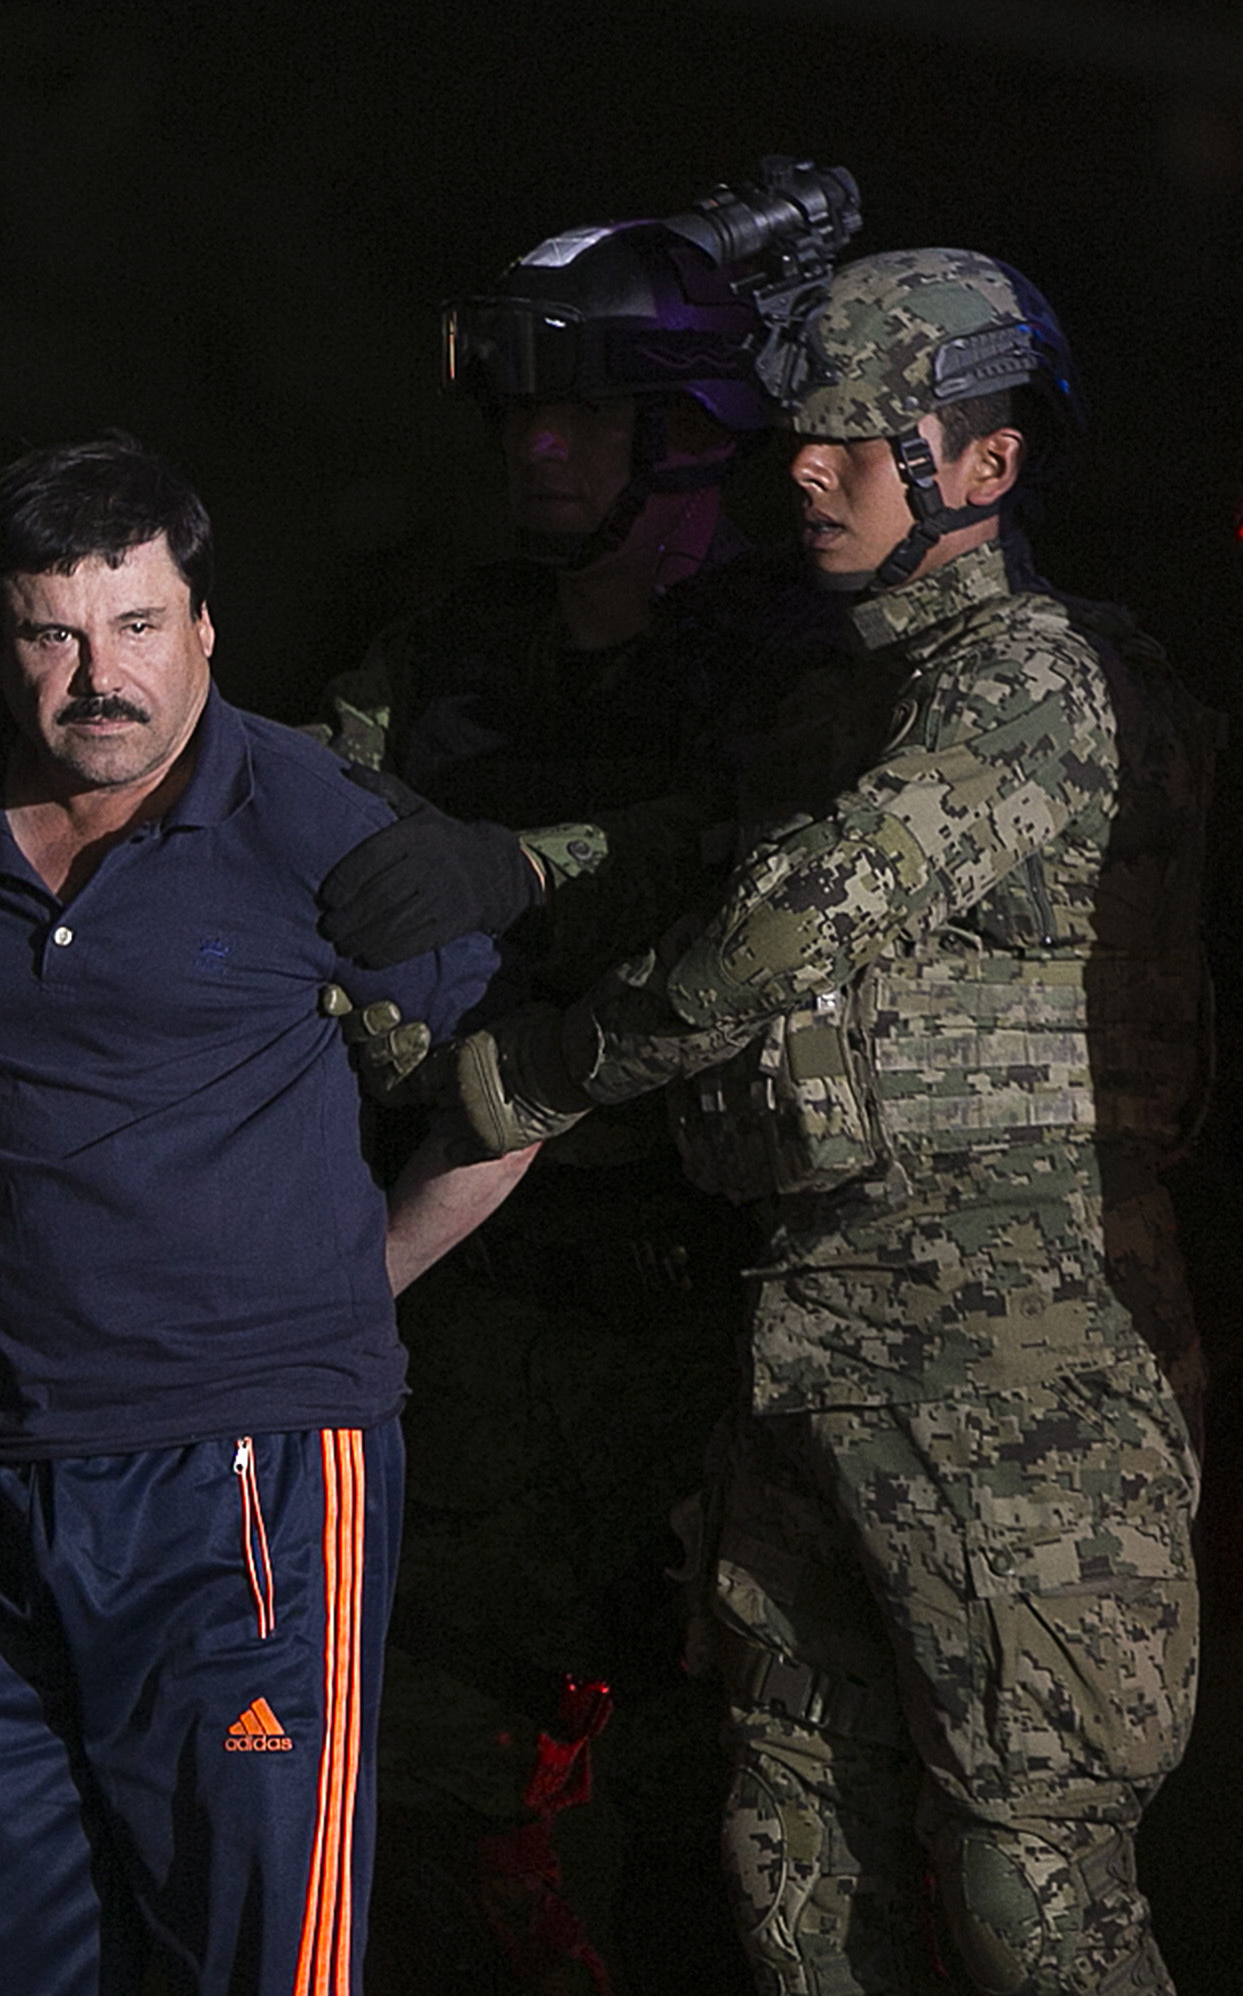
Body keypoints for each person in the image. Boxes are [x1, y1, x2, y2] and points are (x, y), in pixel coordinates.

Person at [418, 249, 1213, 1994]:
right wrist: (491, 865)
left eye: (862, 438)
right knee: (794, 1862)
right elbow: (685, 843)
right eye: (801, 434)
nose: (806, 468)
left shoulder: (1034, 684)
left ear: (984, 468)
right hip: (812, 1328)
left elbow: (790, 921)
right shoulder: (830, 692)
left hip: (1013, 1362)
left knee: (1030, 1889)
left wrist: (536, 1069)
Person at [0, 434, 515, 1996]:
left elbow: (523, 1097)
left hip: (250, 1479)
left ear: (206, 626)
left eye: (139, 625)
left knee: (256, 1956)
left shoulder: (308, 814)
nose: (101, 675)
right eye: (53, 632)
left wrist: (348, 1289)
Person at [315, 200, 846, 1995]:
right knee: (440, 1818)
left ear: (691, 432)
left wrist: (523, 873)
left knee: (734, 1835)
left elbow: (773, 878)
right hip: (476, 1327)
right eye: (519, 416)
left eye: (582, 418)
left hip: (708, 1330)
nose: (534, 451)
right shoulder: (452, 649)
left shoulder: (793, 661)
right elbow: (322, 833)